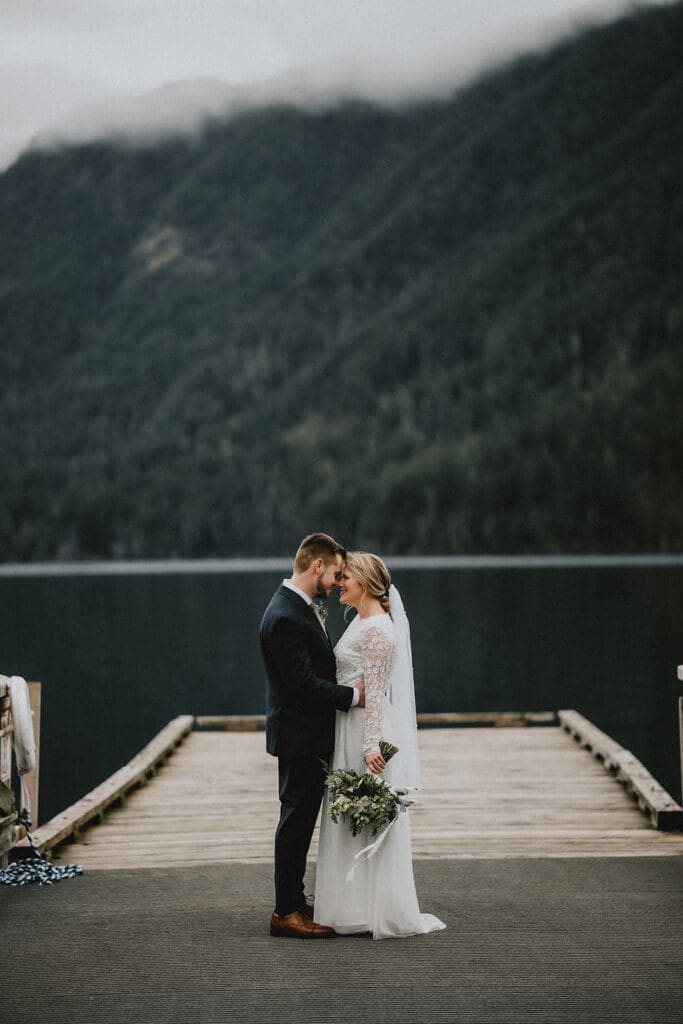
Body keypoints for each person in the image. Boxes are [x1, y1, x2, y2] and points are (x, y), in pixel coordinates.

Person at [314, 551, 446, 939]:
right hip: (348, 725)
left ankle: (374, 909)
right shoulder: (362, 620)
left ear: (368, 583)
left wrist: (371, 745)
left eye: (347, 577)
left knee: (366, 812)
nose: (340, 583)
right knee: (352, 813)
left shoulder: (377, 630)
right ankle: (352, 906)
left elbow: (374, 693)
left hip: (363, 731)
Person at [259, 532, 365, 939]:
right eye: (336, 573)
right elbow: (303, 685)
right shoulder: (285, 615)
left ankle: (295, 899)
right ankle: (285, 912)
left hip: (304, 733)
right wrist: (355, 696)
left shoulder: (295, 607)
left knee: (300, 820)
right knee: (295, 821)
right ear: (317, 565)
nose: (339, 582)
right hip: (299, 735)